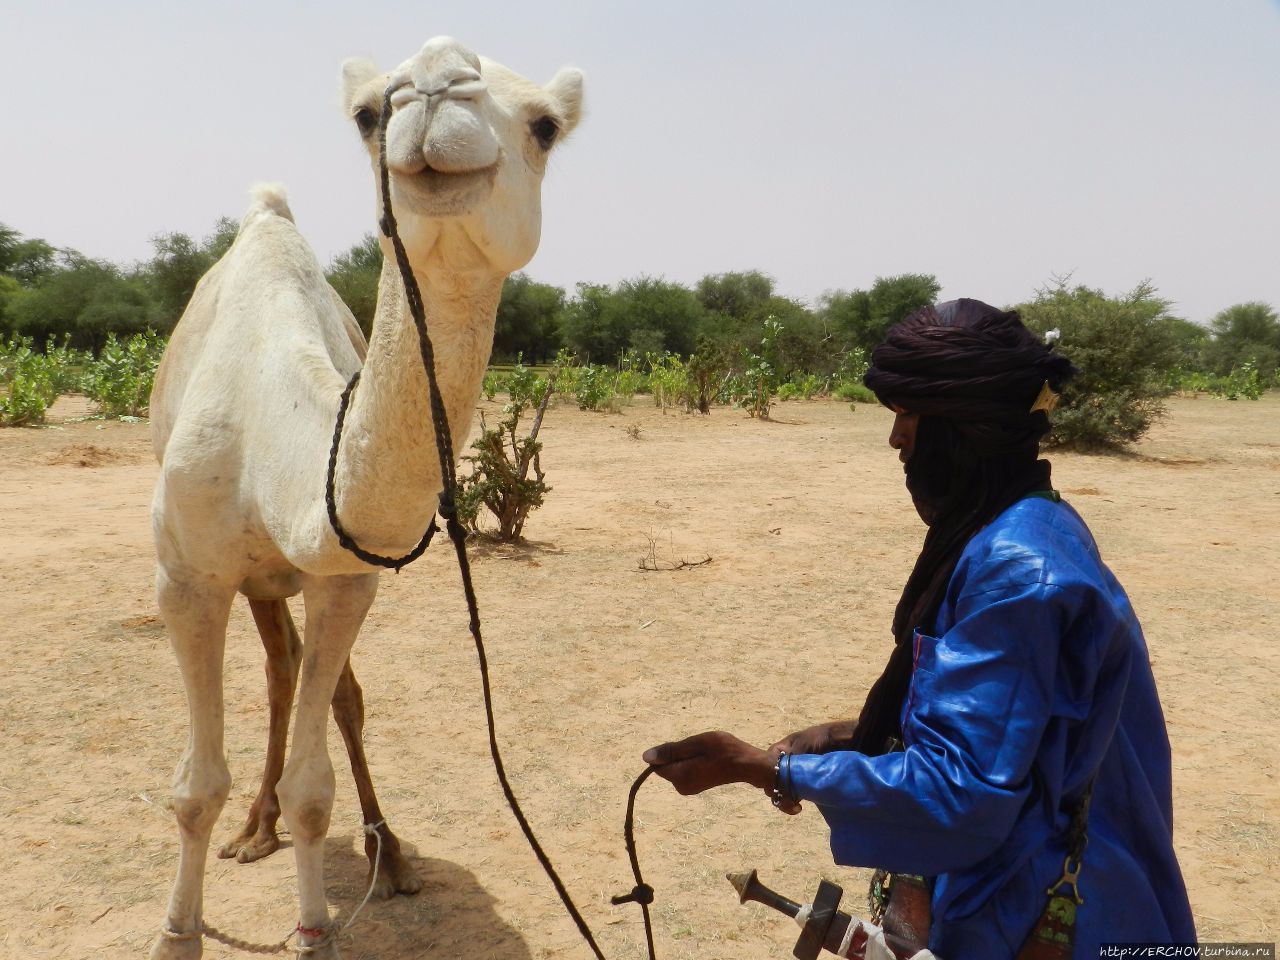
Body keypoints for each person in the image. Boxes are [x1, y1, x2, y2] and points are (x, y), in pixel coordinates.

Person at [642, 300, 1195, 957]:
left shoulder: (1019, 575)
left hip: (1038, 910)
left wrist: (767, 769)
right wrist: (844, 736)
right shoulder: (1024, 523)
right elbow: (1023, 724)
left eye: (908, 415)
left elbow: (962, 790)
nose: (896, 438)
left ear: (965, 429)